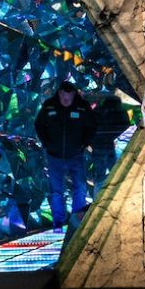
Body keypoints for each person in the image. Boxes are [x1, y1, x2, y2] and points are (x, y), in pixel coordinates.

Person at [34, 81, 95, 229]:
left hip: (75, 156)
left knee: (80, 187)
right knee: (56, 191)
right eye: (63, 96)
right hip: (54, 156)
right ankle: (58, 222)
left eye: (69, 97)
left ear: (74, 94)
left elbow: (92, 125)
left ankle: (77, 220)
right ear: (59, 93)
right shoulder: (50, 106)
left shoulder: (82, 107)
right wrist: (47, 143)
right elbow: (39, 125)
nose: (66, 100)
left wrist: (84, 143)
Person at [89, 94, 130, 196]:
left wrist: (91, 142)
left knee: (100, 174)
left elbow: (88, 127)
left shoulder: (97, 111)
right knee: (115, 172)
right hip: (110, 145)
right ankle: (118, 194)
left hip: (98, 146)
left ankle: (98, 199)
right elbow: (125, 126)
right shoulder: (120, 111)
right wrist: (113, 137)